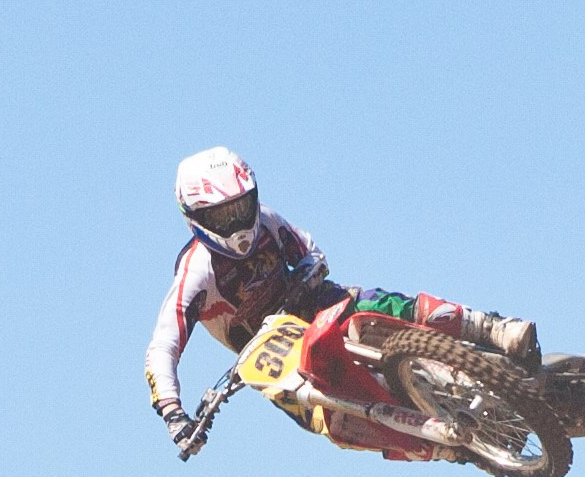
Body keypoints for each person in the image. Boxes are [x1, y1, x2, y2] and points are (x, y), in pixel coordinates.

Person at [145, 146, 540, 454]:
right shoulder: (196, 272)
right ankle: (443, 449)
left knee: (381, 304)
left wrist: (310, 272)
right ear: (195, 218)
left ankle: (492, 329)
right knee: (328, 418)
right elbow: (163, 346)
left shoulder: (266, 221)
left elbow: (310, 249)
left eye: (241, 207)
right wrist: (172, 411)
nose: (237, 223)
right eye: (223, 216)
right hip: (271, 351)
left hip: (311, 301)